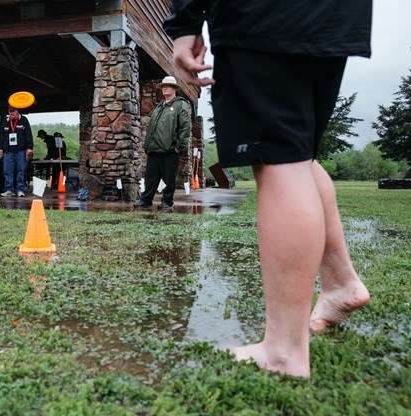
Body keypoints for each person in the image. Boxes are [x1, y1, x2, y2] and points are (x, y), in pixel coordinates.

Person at [164, 0, 372, 377]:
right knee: (298, 156)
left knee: (277, 159)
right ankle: (341, 283)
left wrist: (184, 25)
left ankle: (284, 352)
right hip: (338, 14)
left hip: (264, 16)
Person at [133, 76, 190, 211]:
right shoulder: (159, 106)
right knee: (151, 178)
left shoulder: (180, 104)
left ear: (174, 88)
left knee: (169, 178)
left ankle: (167, 202)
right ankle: (146, 200)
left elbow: (185, 127)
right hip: (153, 149)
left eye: (168, 86)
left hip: (170, 150)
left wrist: (179, 147)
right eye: (163, 86)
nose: (164, 88)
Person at [0, 106, 33, 197]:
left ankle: (20, 189)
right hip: (8, 151)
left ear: (18, 111)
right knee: (7, 171)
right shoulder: (5, 121)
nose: (11, 113)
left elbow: (28, 133)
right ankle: (9, 189)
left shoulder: (24, 120)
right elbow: (1, 136)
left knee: (20, 170)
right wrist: (0, 148)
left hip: (20, 151)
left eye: (13, 111)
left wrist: (30, 147)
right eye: (10, 111)